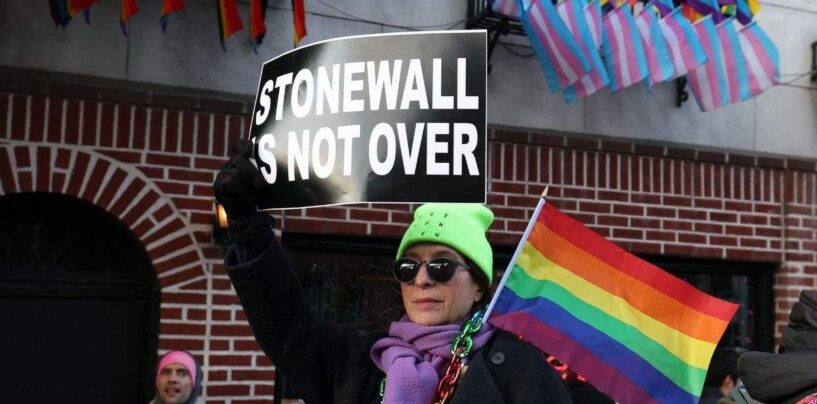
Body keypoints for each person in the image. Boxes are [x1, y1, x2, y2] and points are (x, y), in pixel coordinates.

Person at [214, 140, 572, 403]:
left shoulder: (518, 368)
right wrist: (247, 226)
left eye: (442, 266)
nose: (422, 278)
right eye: (408, 266)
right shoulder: (362, 361)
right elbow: (285, 325)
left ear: (478, 286)